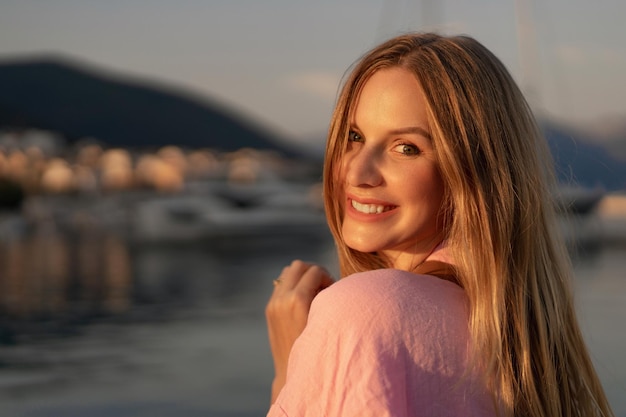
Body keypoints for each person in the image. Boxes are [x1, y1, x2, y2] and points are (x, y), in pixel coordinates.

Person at [265, 33, 614, 417]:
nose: (359, 172)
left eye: (406, 148)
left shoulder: (363, 312)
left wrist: (289, 371)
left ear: (472, 172)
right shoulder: (519, 345)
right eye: (354, 137)